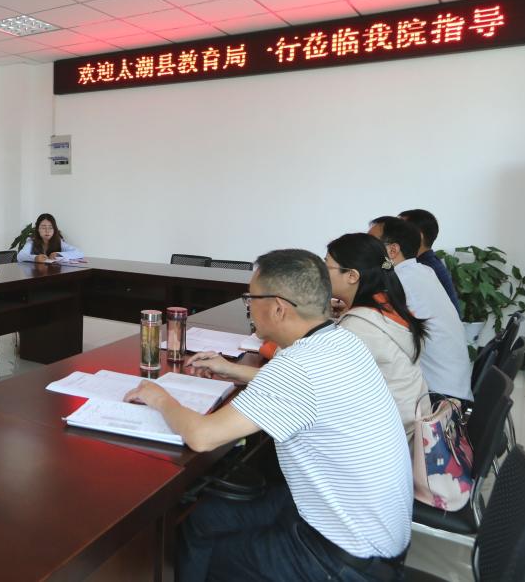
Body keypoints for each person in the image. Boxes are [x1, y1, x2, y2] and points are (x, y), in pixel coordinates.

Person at [125, 249, 411, 582]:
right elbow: (306, 391)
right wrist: (232, 370)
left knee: (205, 553)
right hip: (369, 533)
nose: (248, 306)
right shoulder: (342, 341)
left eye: (251, 298)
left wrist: (159, 397)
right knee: (205, 518)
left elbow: (202, 437)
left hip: (340, 559)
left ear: (278, 307)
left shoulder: (297, 367)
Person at [327, 233, 429, 439]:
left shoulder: (357, 326)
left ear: (352, 276)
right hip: (412, 420)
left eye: (326, 266)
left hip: (386, 435)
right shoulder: (390, 303)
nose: (320, 274)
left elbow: (317, 377)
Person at [369, 216, 472, 401]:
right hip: (452, 387)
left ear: (392, 250)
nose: (365, 248)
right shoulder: (422, 271)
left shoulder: (401, 281)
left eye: (371, 243)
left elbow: (366, 323)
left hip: (438, 399)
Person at [399, 209, 460, 314]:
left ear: (418, 236)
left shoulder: (424, 267)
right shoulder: (424, 261)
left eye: (398, 230)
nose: (391, 235)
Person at [16, 214, 83, 263]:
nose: (47, 231)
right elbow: (20, 256)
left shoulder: (58, 241)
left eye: (50, 227)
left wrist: (58, 254)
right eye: (43, 227)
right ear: (38, 229)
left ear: (54, 229)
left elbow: (79, 252)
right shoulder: (31, 241)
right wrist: (35, 258)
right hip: (36, 274)